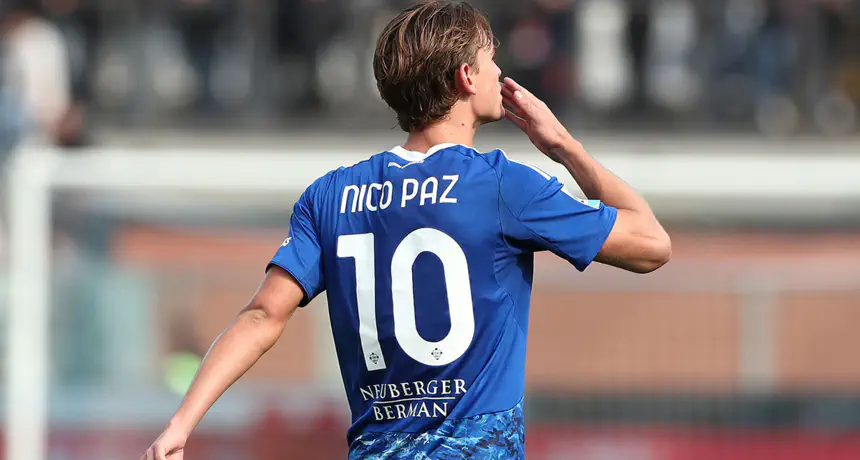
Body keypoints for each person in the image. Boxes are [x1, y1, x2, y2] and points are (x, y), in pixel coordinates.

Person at [141, 1, 671, 459]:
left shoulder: (331, 195)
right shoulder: (503, 185)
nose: (499, 73)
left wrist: (180, 424)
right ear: (467, 77)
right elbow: (651, 245)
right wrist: (564, 147)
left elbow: (261, 316)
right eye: (491, 60)